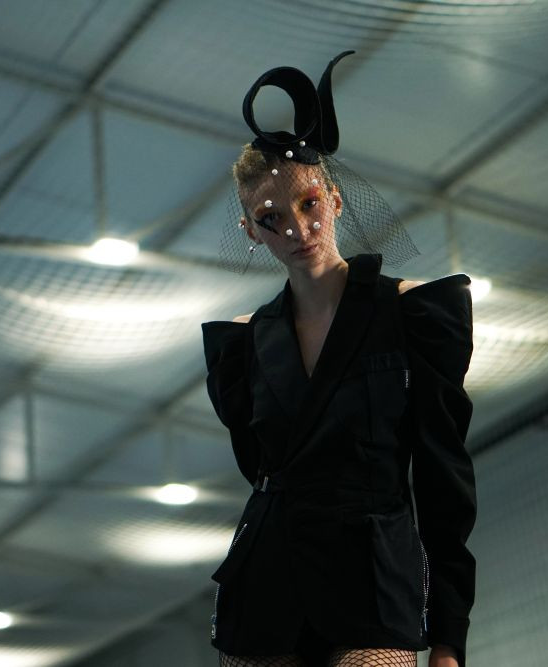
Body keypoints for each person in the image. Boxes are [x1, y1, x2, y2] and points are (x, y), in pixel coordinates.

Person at [202, 52, 477, 667]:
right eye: (270, 218)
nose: (296, 230)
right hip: (267, 589)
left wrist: (449, 634)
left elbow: (443, 476)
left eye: (308, 204)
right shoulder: (241, 345)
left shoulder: (413, 313)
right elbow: (258, 470)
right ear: (250, 232)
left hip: (374, 583)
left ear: (335, 199)